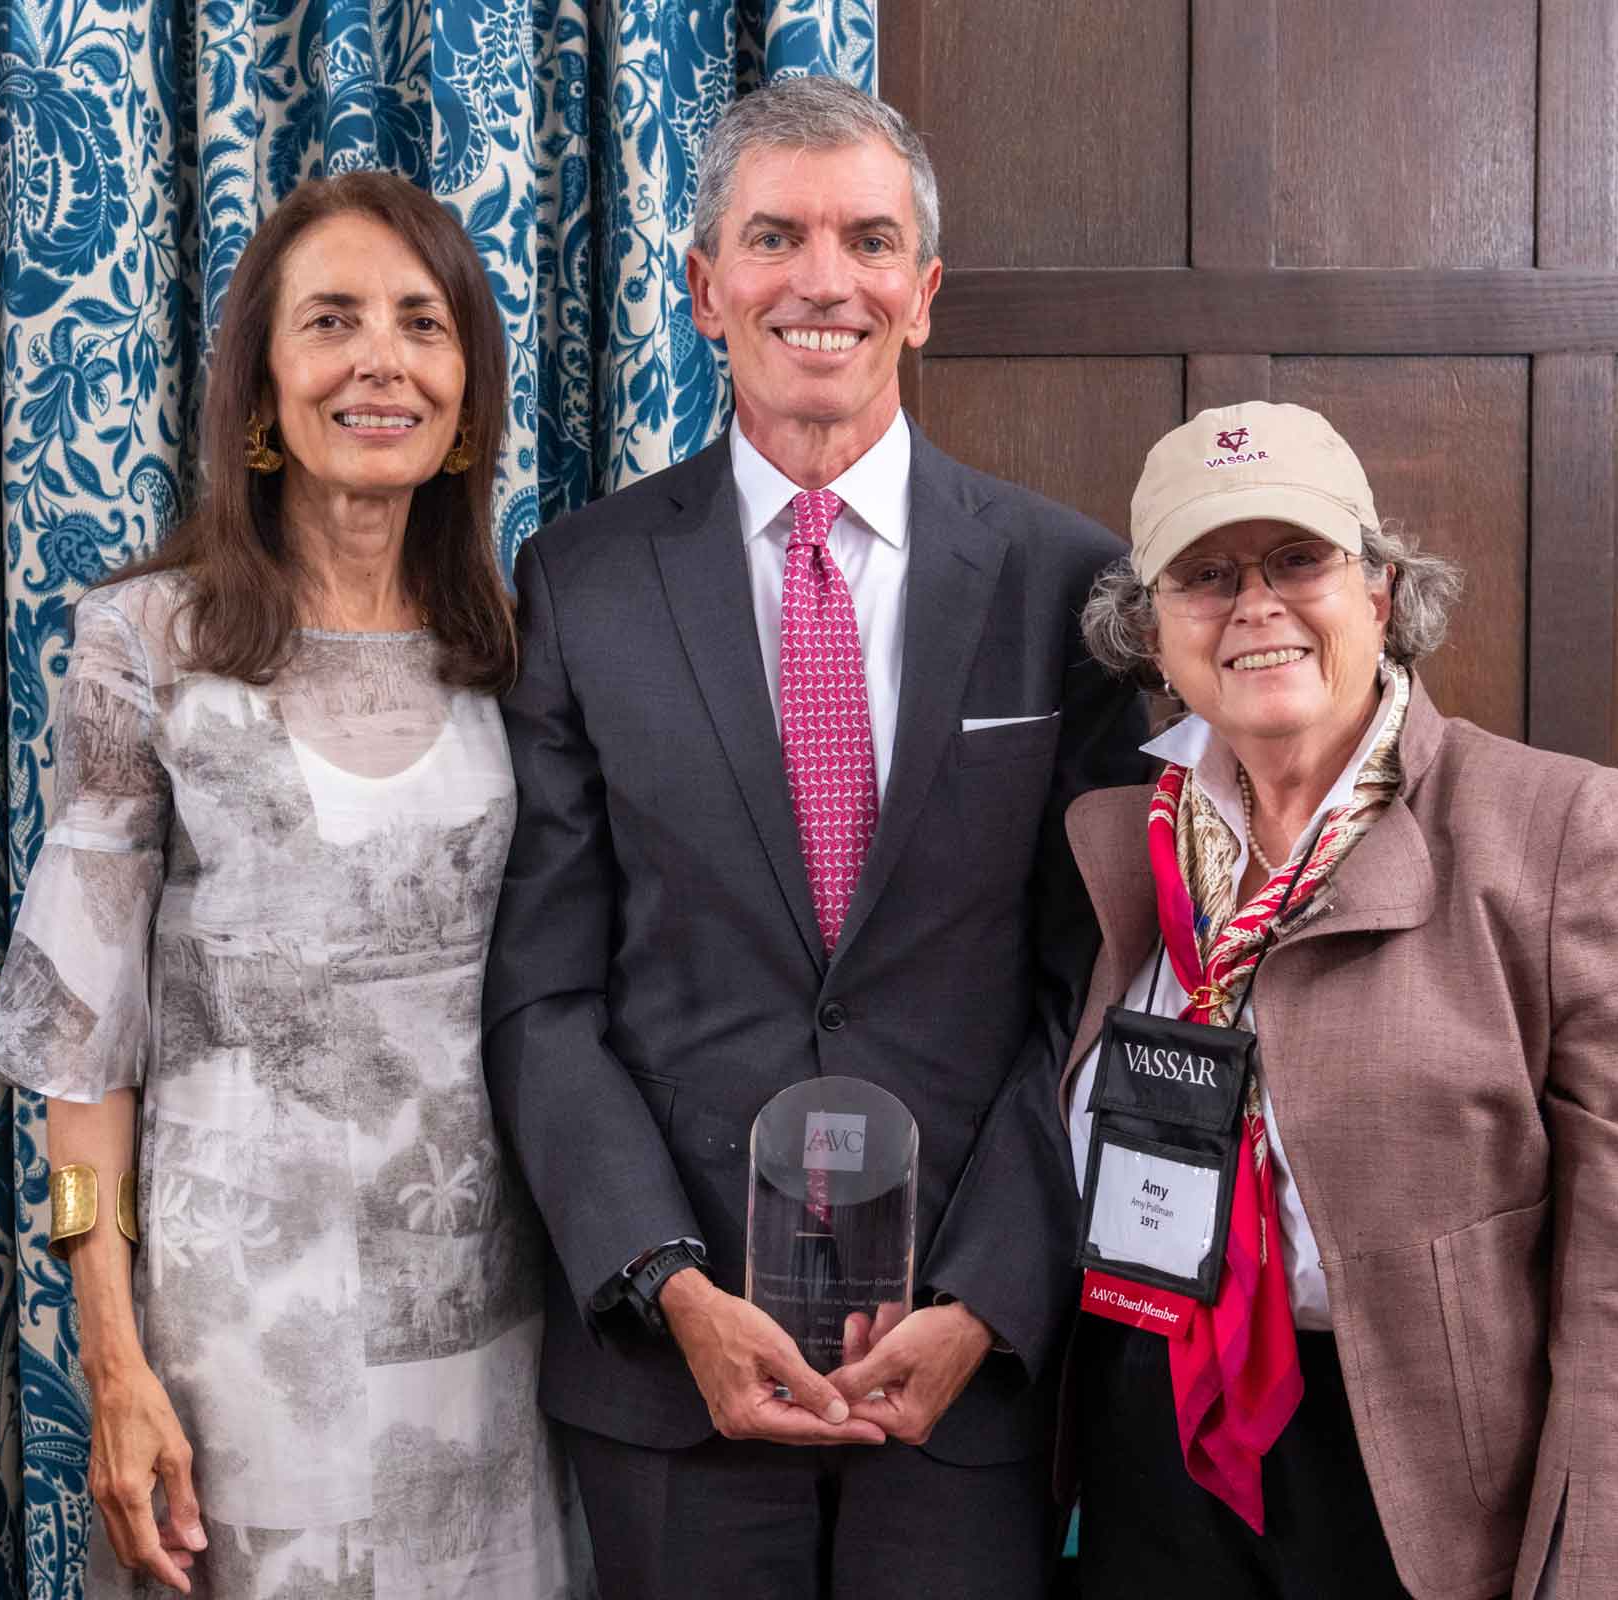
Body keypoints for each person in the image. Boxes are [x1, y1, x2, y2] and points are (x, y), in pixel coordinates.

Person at [483, 75, 1147, 1599]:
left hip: (967, 1384)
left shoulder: (1068, 585)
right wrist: (666, 1284)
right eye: (774, 238)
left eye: (868, 240)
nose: (822, 280)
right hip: (673, 1377)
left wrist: (986, 1294)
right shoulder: (580, 580)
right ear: (706, 289)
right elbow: (544, 990)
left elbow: (1096, 989)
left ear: (924, 293)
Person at [0, 171, 573, 1599]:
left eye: (423, 324)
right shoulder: (147, 645)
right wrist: (111, 1357)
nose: (381, 359)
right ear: (263, 384)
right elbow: (81, 1044)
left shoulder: (523, 649)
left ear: (468, 391)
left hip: (494, 1341)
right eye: (331, 321)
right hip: (241, 1351)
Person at [1061, 400, 1618, 1599]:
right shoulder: (1117, 842)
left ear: (1380, 591)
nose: (1256, 605)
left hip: (1428, 1479)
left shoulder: (1560, 831)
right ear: (1150, 631)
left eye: (1299, 559)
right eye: (1205, 574)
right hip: (1151, 1446)